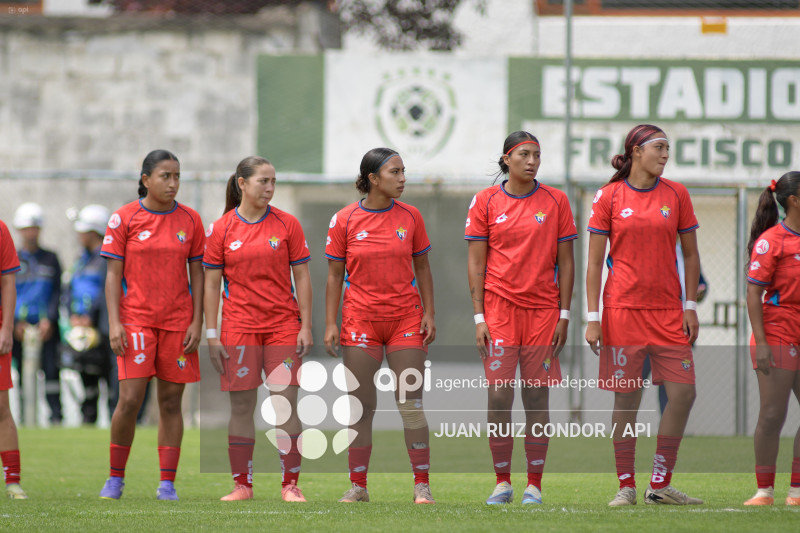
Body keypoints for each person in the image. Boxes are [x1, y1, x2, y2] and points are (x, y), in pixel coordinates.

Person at [585, 124, 703, 506]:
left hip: (669, 313)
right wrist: (592, 316)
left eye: (668, 148)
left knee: (684, 393)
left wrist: (690, 306)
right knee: (626, 401)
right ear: (636, 151)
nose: (666, 155)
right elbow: (592, 264)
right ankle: (625, 486)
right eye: (659, 147)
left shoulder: (677, 194)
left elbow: (689, 255)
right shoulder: (609, 196)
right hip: (622, 312)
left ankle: (659, 482)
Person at [465, 131, 576, 505]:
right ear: (507, 159)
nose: (532, 161)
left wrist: (564, 314)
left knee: (536, 397)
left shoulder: (556, 201)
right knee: (499, 395)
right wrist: (479, 315)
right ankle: (501, 481)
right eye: (524, 154)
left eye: (537, 155)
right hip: (498, 311)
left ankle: (534, 484)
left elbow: (566, 261)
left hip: (543, 313)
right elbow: (476, 262)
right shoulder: (486, 201)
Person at [324, 147, 436, 504]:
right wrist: (330, 323)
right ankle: (358, 486)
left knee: (410, 403)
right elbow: (333, 276)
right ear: (373, 179)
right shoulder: (344, 219)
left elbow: (423, 268)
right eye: (395, 172)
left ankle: (422, 485)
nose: (403, 179)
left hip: (405, 320)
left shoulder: (411, 217)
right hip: (359, 321)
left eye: (404, 171)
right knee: (360, 405)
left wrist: (429, 313)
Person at [203, 156, 312, 502]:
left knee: (285, 407)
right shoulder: (221, 229)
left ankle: (290, 485)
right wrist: (211, 332)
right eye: (263, 181)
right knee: (240, 408)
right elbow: (210, 285)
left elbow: (303, 277)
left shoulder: (287, 224)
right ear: (242, 183)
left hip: (282, 327)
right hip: (238, 329)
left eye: (273, 181)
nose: (269, 188)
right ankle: (242, 485)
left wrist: (305, 326)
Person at [98, 149, 205, 501]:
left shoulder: (190, 220)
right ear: (145, 180)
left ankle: (167, 484)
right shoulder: (124, 218)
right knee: (129, 400)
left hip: (177, 325)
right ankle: (115, 478)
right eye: (165, 176)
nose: (173, 183)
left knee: (171, 403)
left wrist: (196, 321)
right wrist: (115, 323)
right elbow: (113, 277)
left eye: (177, 176)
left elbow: (198, 276)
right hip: (136, 323)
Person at [742, 171, 800, 507]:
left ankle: (796, 491)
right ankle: (764, 490)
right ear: (793, 200)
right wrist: (761, 342)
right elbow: (753, 294)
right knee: (773, 414)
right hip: (777, 331)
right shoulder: (771, 241)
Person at [64, 204, 118, 425]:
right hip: (83, 330)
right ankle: (88, 421)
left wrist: (91, 316)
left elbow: (106, 290)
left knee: (110, 377)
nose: (79, 236)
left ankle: (115, 423)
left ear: (93, 232)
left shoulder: (107, 259)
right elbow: (69, 288)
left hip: (103, 327)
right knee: (87, 377)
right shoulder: (81, 259)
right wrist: (73, 314)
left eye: (82, 231)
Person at [11, 202, 62, 425]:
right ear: (20, 230)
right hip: (19, 327)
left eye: (35, 228)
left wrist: (49, 319)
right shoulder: (10, 259)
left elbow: (57, 292)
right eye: (27, 228)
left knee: (51, 370)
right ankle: (24, 415)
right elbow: (6, 292)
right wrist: (13, 322)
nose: (31, 233)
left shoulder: (51, 259)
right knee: (22, 373)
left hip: (46, 327)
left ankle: (56, 416)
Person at [1, 218, 26, 499]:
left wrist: (6, 328)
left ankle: (13, 481)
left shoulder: (1, 229)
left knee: (0, 406)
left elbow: (8, 281)